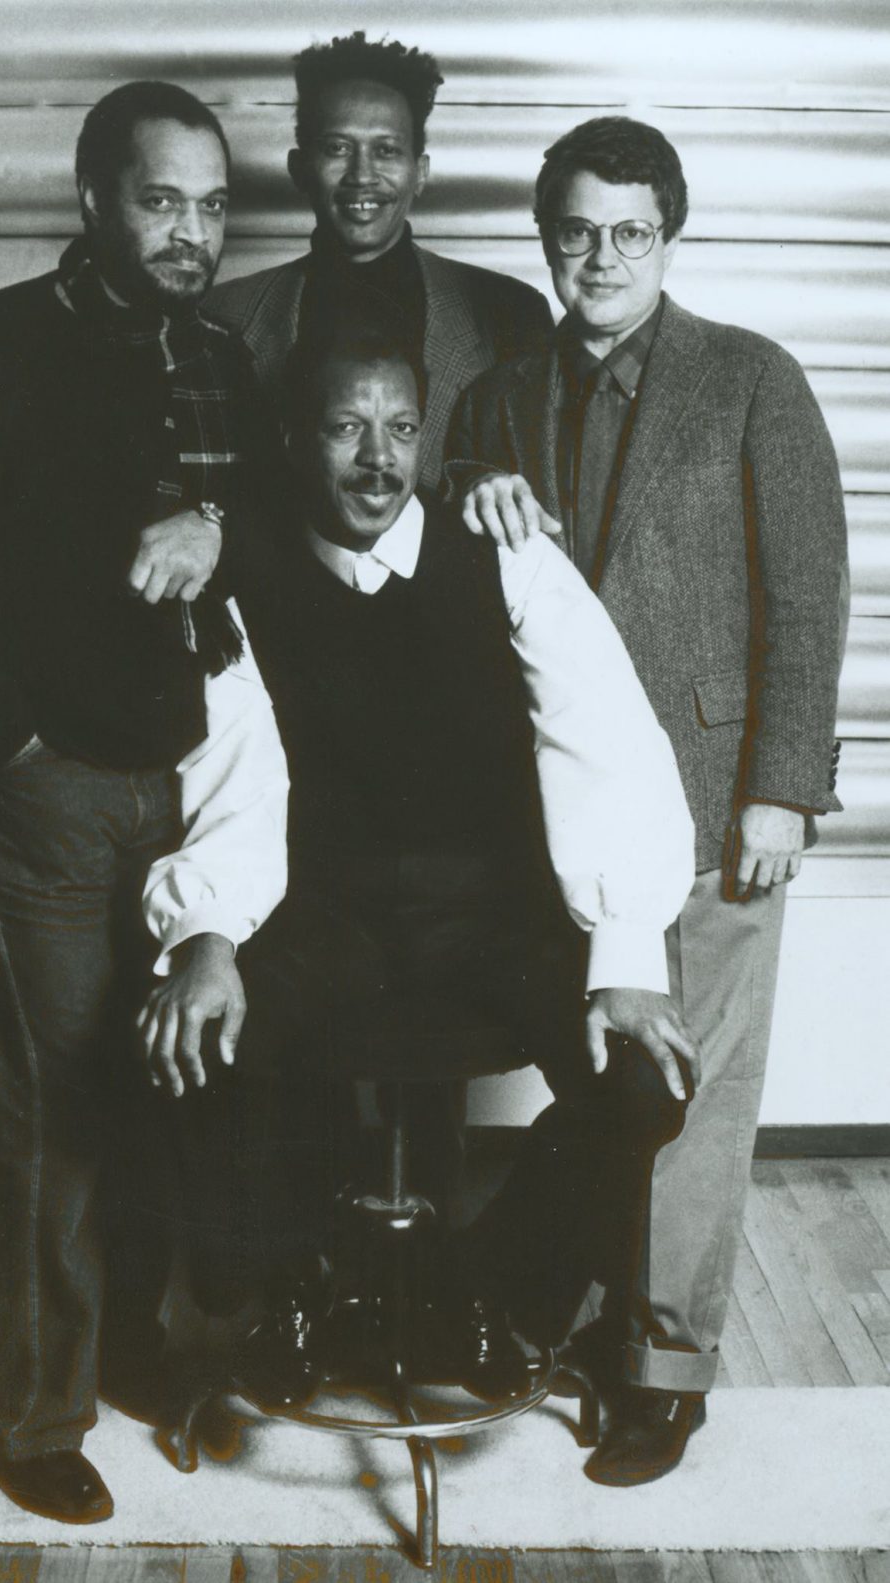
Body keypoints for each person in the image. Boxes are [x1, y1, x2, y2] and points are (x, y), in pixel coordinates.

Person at [0, 79, 288, 1524]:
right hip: (44, 785)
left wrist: (218, 521)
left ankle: (139, 1347)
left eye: (212, 206)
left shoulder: (219, 356)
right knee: (52, 1107)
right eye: (162, 202)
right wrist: (14, 742)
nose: (191, 232)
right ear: (93, 198)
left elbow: (276, 532)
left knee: (157, 1081)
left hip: (194, 781)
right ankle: (33, 1410)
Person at [138, 329, 700, 1418]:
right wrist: (206, 937)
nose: (378, 459)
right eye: (347, 428)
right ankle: (290, 1285)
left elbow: (604, 742)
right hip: (325, 914)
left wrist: (626, 955)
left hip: (491, 912)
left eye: (400, 429)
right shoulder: (242, 573)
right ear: (294, 440)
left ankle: (482, 1290)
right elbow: (234, 774)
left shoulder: (504, 553)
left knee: (641, 1081)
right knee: (202, 1040)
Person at [446, 115, 848, 1484]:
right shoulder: (496, 398)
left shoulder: (753, 379)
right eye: (578, 230)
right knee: (609, 1088)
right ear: (545, 237)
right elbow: (449, 555)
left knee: (697, 1098)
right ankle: (563, 1310)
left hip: (717, 801)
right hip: (560, 820)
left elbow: (808, 596)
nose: (602, 256)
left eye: (631, 232)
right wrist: (469, 485)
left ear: (670, 239)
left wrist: (782, 789)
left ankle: (663, 1372)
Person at [205, 30, 555, 489]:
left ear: (420, 173)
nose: (362, 175)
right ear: (299, 169)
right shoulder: (222, 316)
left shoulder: (511, 314)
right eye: (337, 148)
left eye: (386, 150)